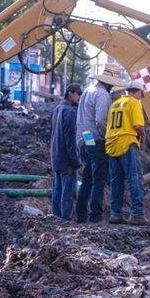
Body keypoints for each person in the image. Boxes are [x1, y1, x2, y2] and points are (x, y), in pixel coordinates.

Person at [75, 63, 125, 223]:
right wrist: (108, 138)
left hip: (85, 139)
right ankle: (95, 215)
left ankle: (81, 214)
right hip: (96, 140)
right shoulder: (103, 95)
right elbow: (101, 120)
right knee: (99, 179)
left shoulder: (88, 91)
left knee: (87, 178)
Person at [105, 79, 149, 226]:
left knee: (117, 181)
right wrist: (143, 137)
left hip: (112, 144)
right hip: (127, 142)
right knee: (135, 179)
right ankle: (137, 214)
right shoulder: (134, 103)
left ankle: (115, 213)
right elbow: (138, 126)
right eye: (140, 94)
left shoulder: (115, 104)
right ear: (138, 92)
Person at [50, 83, 83, 220]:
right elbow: (70, 139)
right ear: (70, 93)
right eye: (78, 94)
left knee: (57, 191)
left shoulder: (58, 109)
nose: (79, 97)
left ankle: (56, 218)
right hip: (66, 159)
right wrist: (75, 160)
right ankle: (65, 220)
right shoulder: (69, 112)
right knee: (67, 193)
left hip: (56, 156)